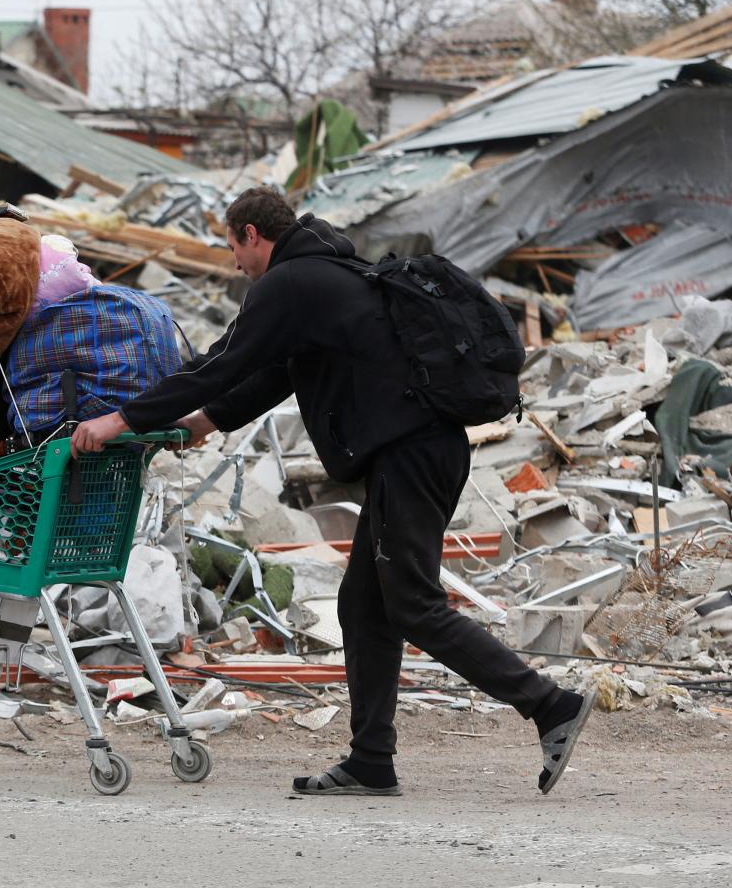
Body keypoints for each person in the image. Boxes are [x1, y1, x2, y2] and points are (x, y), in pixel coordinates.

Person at [71, 186, 595, 797]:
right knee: (363, 605)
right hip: (418, 452)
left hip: (411, 454)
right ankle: (372, 760)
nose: (235, 265)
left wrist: (120, 421)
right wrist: (200, 424)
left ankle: (550, 705)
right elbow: (269, 375)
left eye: (232, 248)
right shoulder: (323, 277)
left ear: (250, 235)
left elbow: (219, 364)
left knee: (413, 605)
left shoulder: (289, 284)